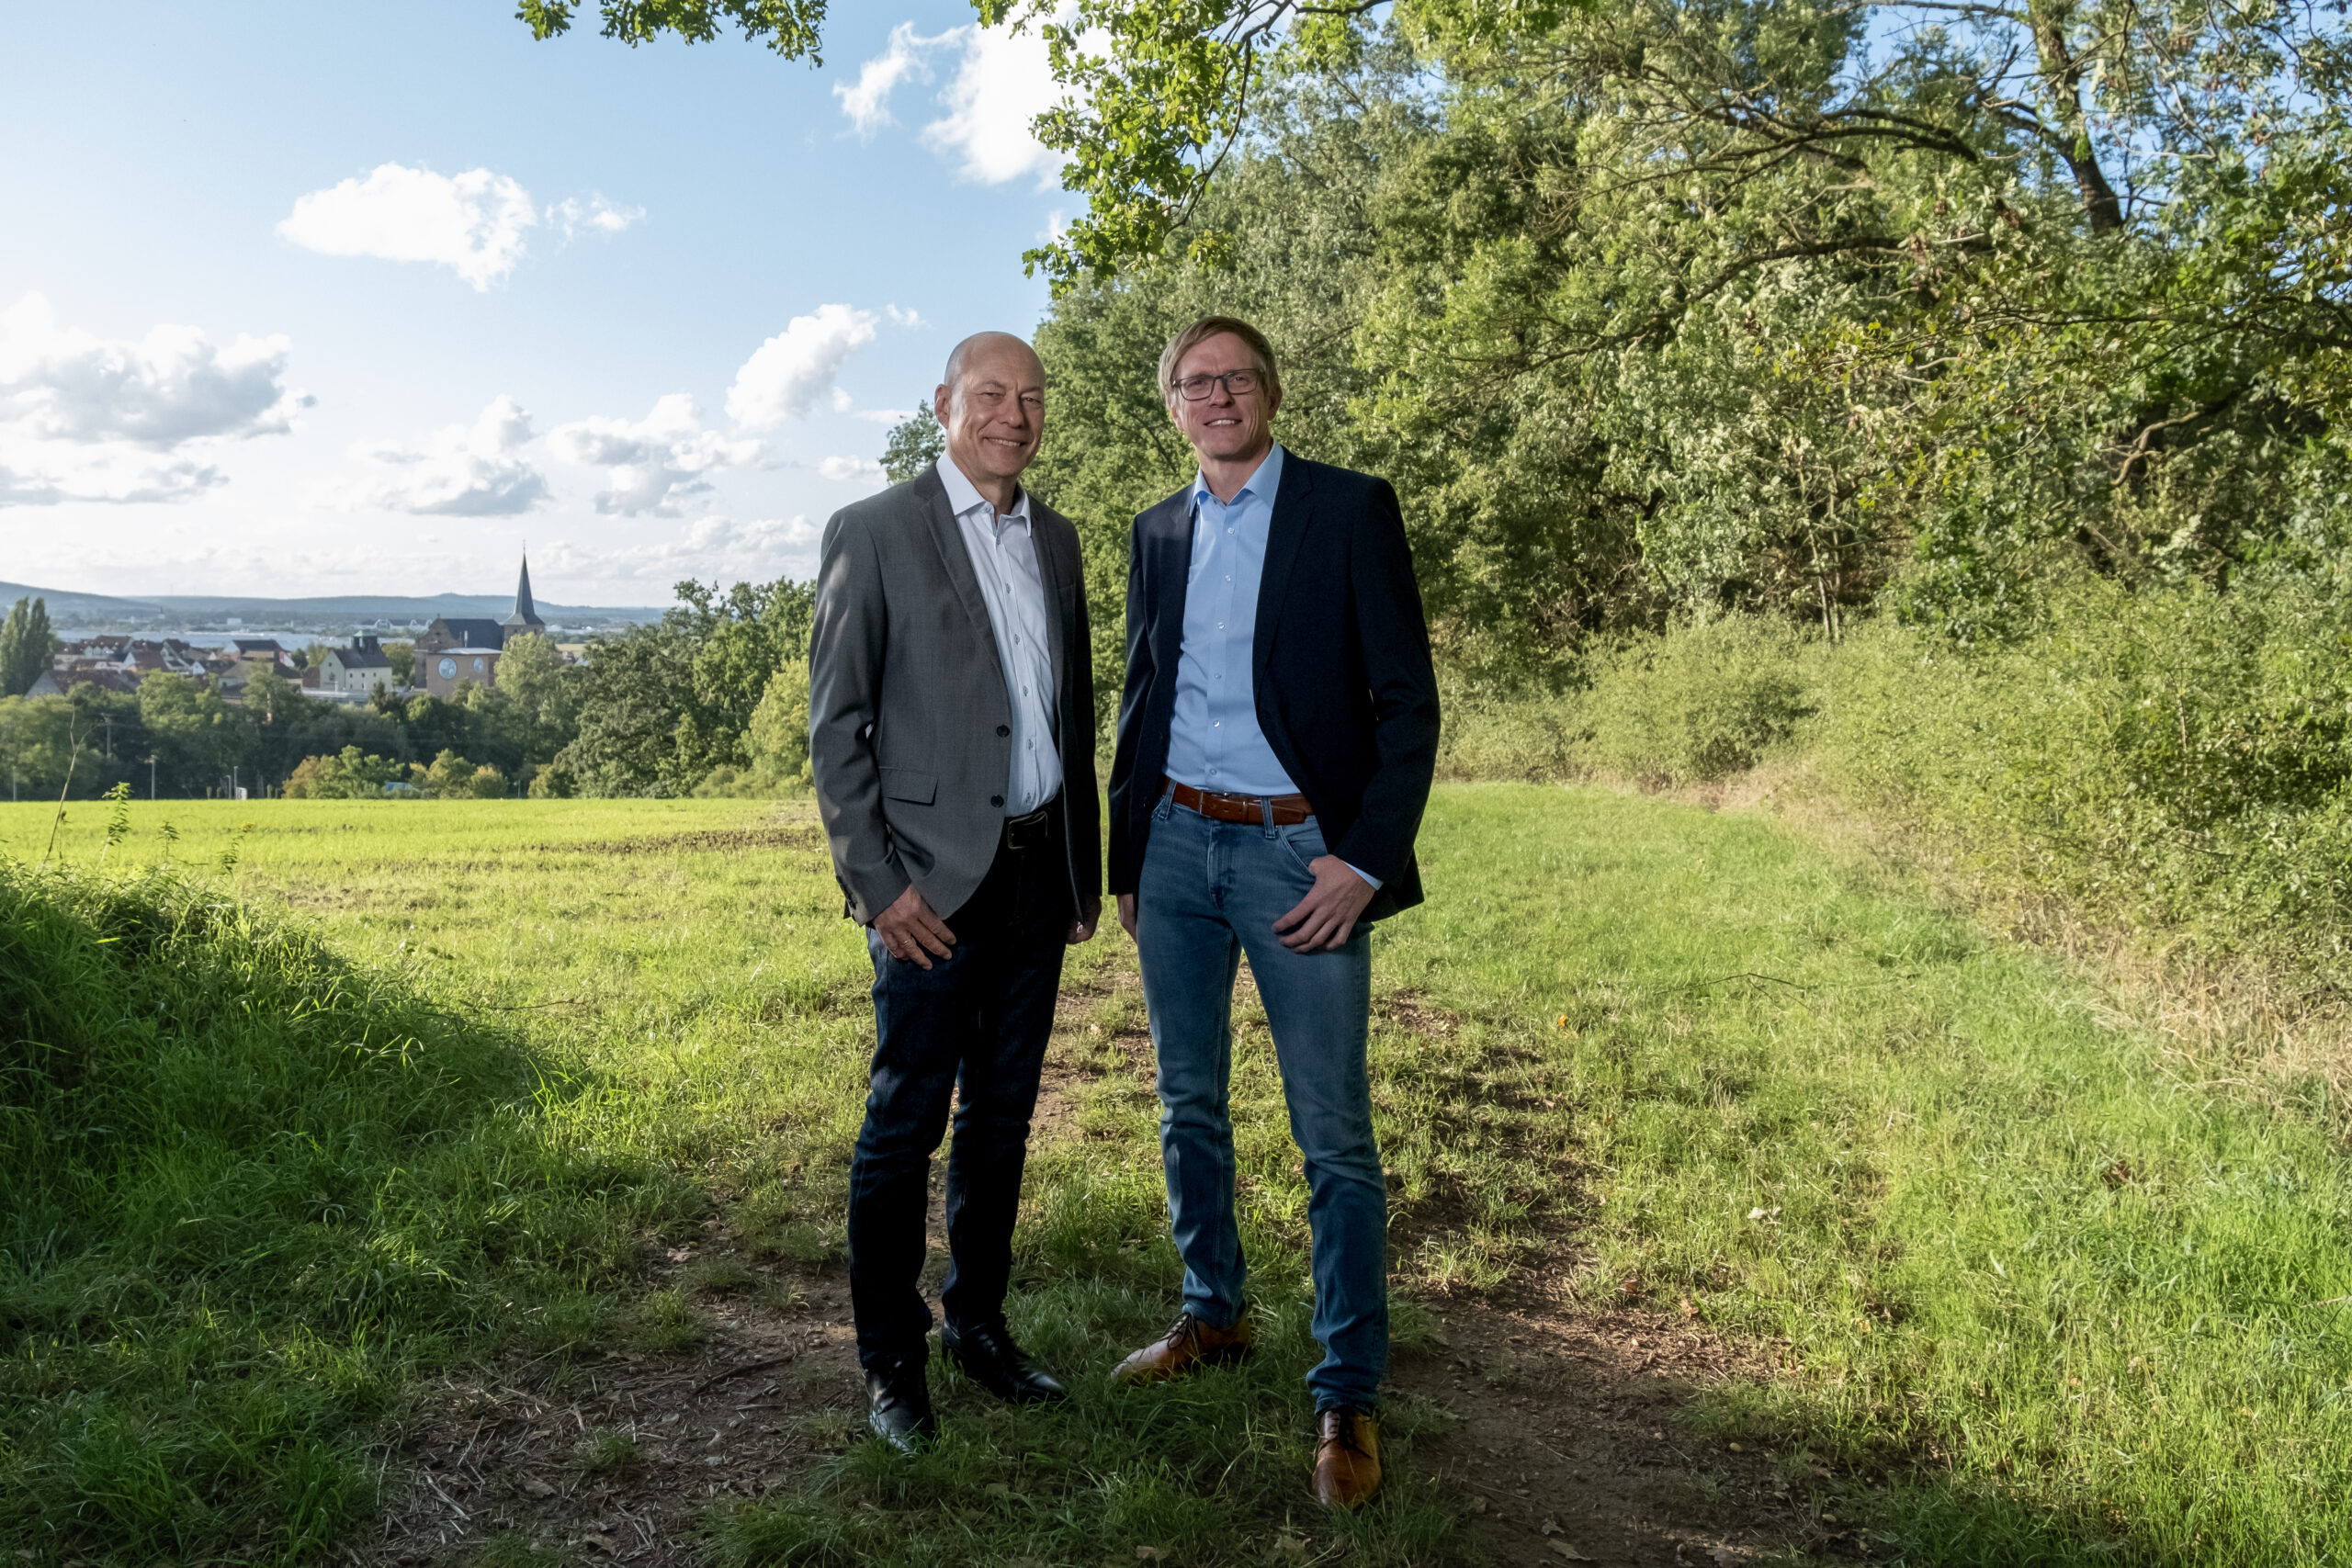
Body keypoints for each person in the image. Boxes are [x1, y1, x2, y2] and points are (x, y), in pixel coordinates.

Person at [1105, 316, 1441, 1508]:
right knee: (1185, 1099)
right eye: (1196, 382)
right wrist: (1128, 852)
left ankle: (1346, 1383)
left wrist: (1361, 854)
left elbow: (1407, 702)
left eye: (1235, 376)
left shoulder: (1350, 509)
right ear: (1174, 405)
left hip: (1304, 856)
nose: (1218, 395)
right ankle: (1215, 1314)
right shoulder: (1158, 530)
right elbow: (1142, 691)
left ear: (1271, 390)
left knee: (1333, 1136)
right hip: (1178, 843)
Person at [808, 331, 1102, 1455]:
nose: (1012, 415)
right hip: (927, 892)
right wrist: (877, 886)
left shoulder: (1058, 539)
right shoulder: (874, 532)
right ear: (943, 405)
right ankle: (890, 1360)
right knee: (903, 1126)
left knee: (1002, 1124)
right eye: (989, 395)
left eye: (1029, 398)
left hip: (1037, 880)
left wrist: (1081, 866)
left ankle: (976, 1324)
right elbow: (836, 732)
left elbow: (1067, 715)